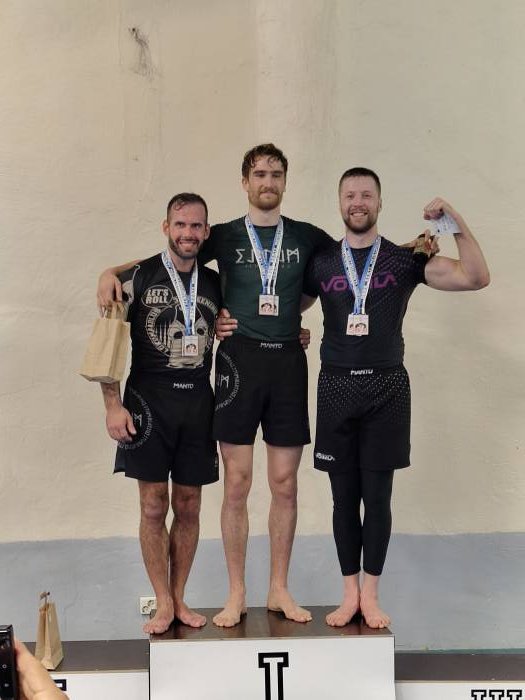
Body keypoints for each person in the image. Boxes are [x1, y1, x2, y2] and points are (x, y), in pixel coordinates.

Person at [302, 168, 490, 629]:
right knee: (343, 500)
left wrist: (453, 220)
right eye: (350, 195)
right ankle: (348, 594)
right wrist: (287, 331)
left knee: (378, 499)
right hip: (336, 388)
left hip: (386, 389)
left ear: (379, 203)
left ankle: (370, 595)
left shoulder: (404, 260)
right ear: (340, 202)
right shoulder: (322, 262)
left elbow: (475, 277)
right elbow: (288, 306)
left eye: (366, 195)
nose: (358, 202)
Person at [100, 193, 221, 633]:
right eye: (180, 224)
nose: (188, 233)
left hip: (198, 405)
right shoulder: (137, 277)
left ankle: (181, 597)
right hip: (147, 403)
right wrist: (112, 405)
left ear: (206, 232)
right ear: (166, 227)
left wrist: (295, 333)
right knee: (153, 505)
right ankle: (163, 602)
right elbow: (108, 342)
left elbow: (243, 323)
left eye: (196, 226)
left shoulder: (215, 283)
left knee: (189, 505)